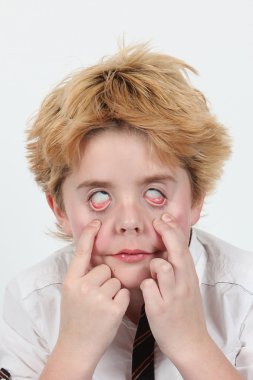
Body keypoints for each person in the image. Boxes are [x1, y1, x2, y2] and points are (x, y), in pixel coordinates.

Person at [0, 44, 252, 380]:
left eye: (154, 193)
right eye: (99, 196)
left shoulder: (244, 294)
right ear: (59, 208)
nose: (130, 222)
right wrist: (74, 351)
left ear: (196, 200)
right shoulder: (30, 301)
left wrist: (193, 346)